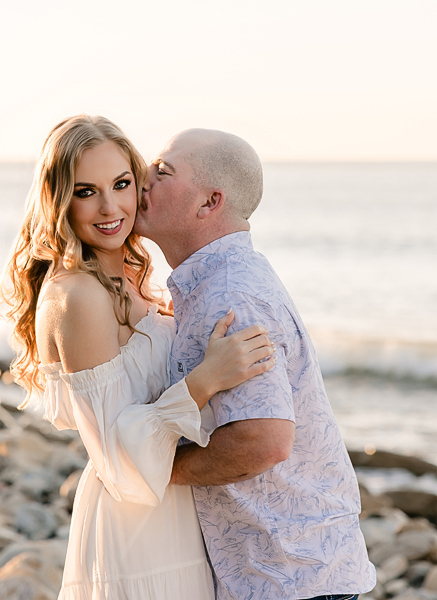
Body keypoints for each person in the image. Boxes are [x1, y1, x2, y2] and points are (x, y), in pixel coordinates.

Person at [0, 115, 276, 600]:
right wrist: (204, 380)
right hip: (135, 530)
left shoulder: (129, 278)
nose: (110, 208)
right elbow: (116, 460)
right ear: (60, 199)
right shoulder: (78, 296)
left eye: (121, 184)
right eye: (86, 191)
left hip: (176, 514)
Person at [133, 128, 377, 600]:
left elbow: (263, 441)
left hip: (288, 576)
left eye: (163, 171)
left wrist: (158, 469)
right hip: (290, 569)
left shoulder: (230, 296)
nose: (143, 177)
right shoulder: (211, 285)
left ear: (209, 203)